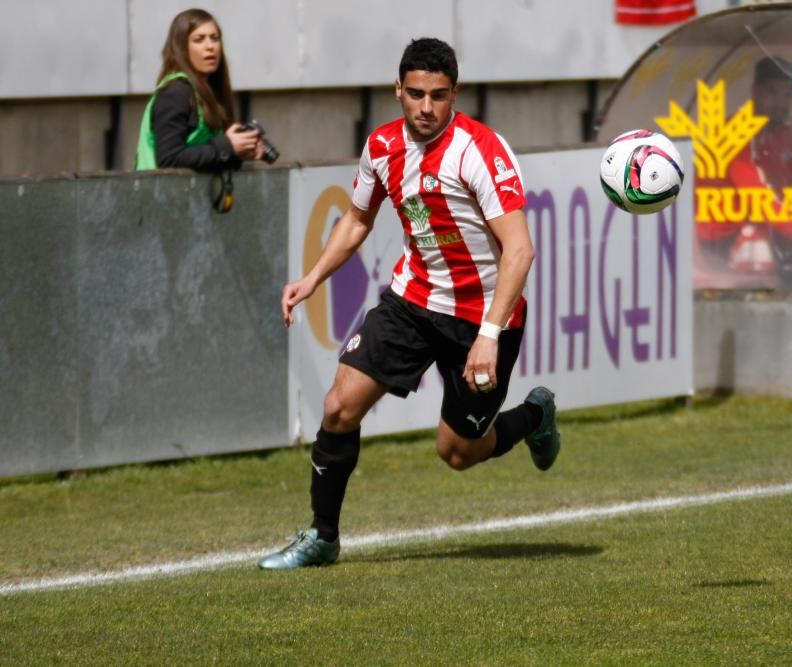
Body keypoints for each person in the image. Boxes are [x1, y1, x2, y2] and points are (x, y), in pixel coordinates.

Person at [258, 37, 560, 570]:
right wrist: (311, 278)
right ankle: (322, 536)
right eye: (416, 94)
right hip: (413, 301)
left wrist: (489, 336)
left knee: (458, 452)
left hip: (482, 319)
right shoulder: (381, 148)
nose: (426, 108)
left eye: (439, 96)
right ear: (397, 90)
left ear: (454, 93)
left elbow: (520, 250)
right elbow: (356, 221)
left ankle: (534, 415)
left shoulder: (480, 151)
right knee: (338, 406)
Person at [695, 57, 792, 288]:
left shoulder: (780, 133)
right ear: (755, 92)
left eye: (786, 95)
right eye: (772, 93)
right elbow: (759, 198)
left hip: (763, 228)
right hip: (720, 238)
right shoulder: (733, 132)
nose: (780, 102)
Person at [135, 8, 262, 171]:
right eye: (199, 39)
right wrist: (226, 145)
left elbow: (203, 161)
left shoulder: (208, 92)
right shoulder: (175, 93)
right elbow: (168, 159)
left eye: (215, 38)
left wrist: (238, 153)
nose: (210, 46)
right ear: (181, 48)